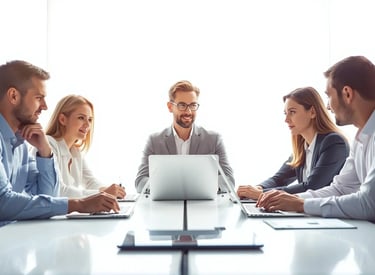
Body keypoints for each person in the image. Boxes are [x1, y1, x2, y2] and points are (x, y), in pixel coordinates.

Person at [257, 55, 375, 221]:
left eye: (329, 96)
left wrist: (301, 205)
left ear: (347, 94)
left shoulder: (339, 141)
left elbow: (369, 204)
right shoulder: (361, 137)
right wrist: (295, 200)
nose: (327, 106)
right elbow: (340, 189)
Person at [0, 60, 119, 221]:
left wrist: (45, 152)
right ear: (13, 96)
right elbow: (3, 203)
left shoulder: (20, 145)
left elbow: (48, 195)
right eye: (38, 97)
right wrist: (79, 204)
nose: (45, 106)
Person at [237, 87, 349, 200]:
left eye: (292, 112)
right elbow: (278, 179)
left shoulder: (333, 142)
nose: (286, 119)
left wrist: (262, 194)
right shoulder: (302, 147)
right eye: (285, 113)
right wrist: (257, 189)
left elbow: (312, 186)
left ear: (312, 112)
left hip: (330, 215)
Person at [135, 80, 235, 193]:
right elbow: (140, 181)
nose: (188, 111)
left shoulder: (214, 140)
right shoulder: (154, 141)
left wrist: (205, 186)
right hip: (166, 207)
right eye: (182, 105)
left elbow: (229, 180)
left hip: (204, 207)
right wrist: (167, 188)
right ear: (170, 107)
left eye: (193, 105)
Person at [43, 94, 126, 198]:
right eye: (81, 118)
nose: (87, 125)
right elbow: (58, 191)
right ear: (63, 119)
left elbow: (90, 181)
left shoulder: (74, 151)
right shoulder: (47, 145)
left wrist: (110, 190)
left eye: (90, 119)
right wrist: (103, 193)